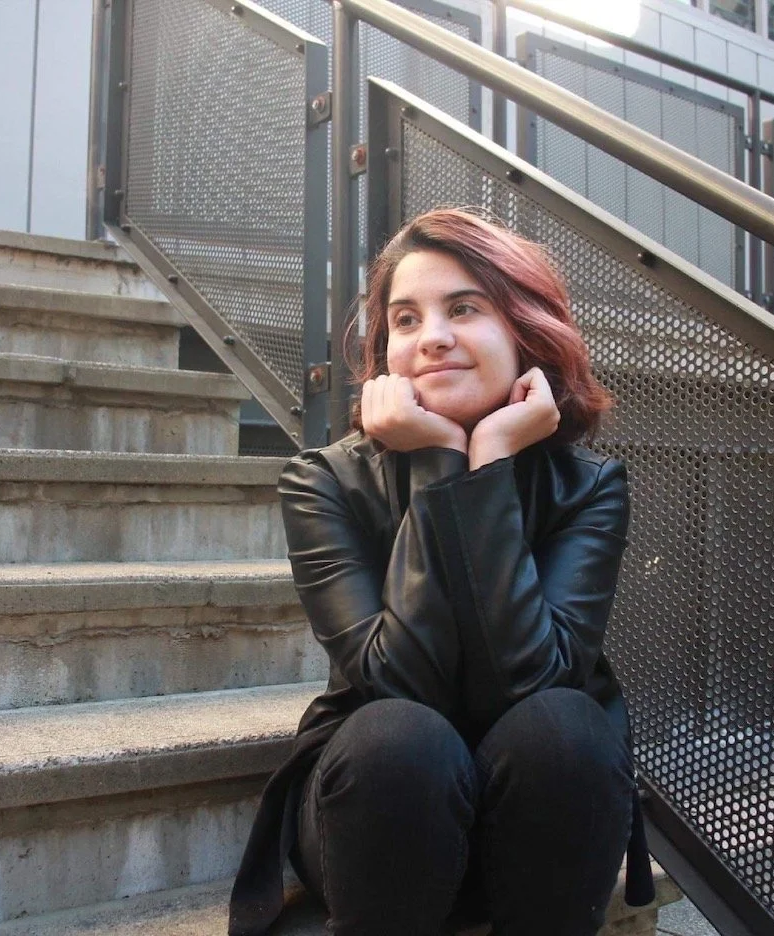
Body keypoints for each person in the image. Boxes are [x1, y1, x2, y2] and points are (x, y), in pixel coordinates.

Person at [229, 207, 654, 936]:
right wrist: (440, 462)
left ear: (526, 329)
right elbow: (397, 681)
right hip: (377, 821)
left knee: (565, 726)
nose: (432, 337)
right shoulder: (322, 482)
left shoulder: (588, 487)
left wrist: (487, 463)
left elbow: (534, 678)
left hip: (539, 829)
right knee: (403, 738)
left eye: (464, 308)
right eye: (404, 319)